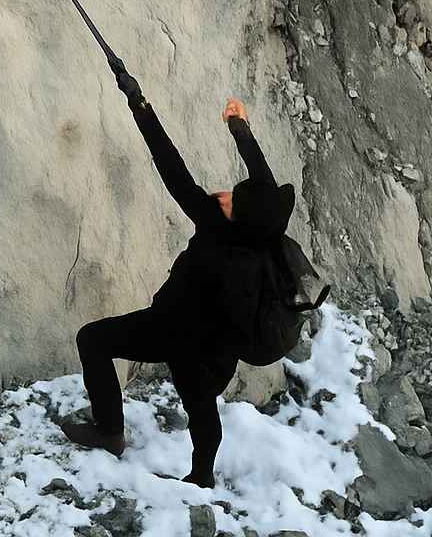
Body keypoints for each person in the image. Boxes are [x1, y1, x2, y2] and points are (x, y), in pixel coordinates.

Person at [59, 73, 295, 487]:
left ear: (237, 219)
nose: (222, 197)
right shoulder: (266, 229)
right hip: (218, 349)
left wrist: (140, 106)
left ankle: (113, 433)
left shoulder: (218, 235)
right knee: (200, 405)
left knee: (95, 341)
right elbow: (264, 182)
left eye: (231, 203)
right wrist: (240, 127)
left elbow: (171, 166)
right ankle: (200, 475)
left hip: (180, 336)